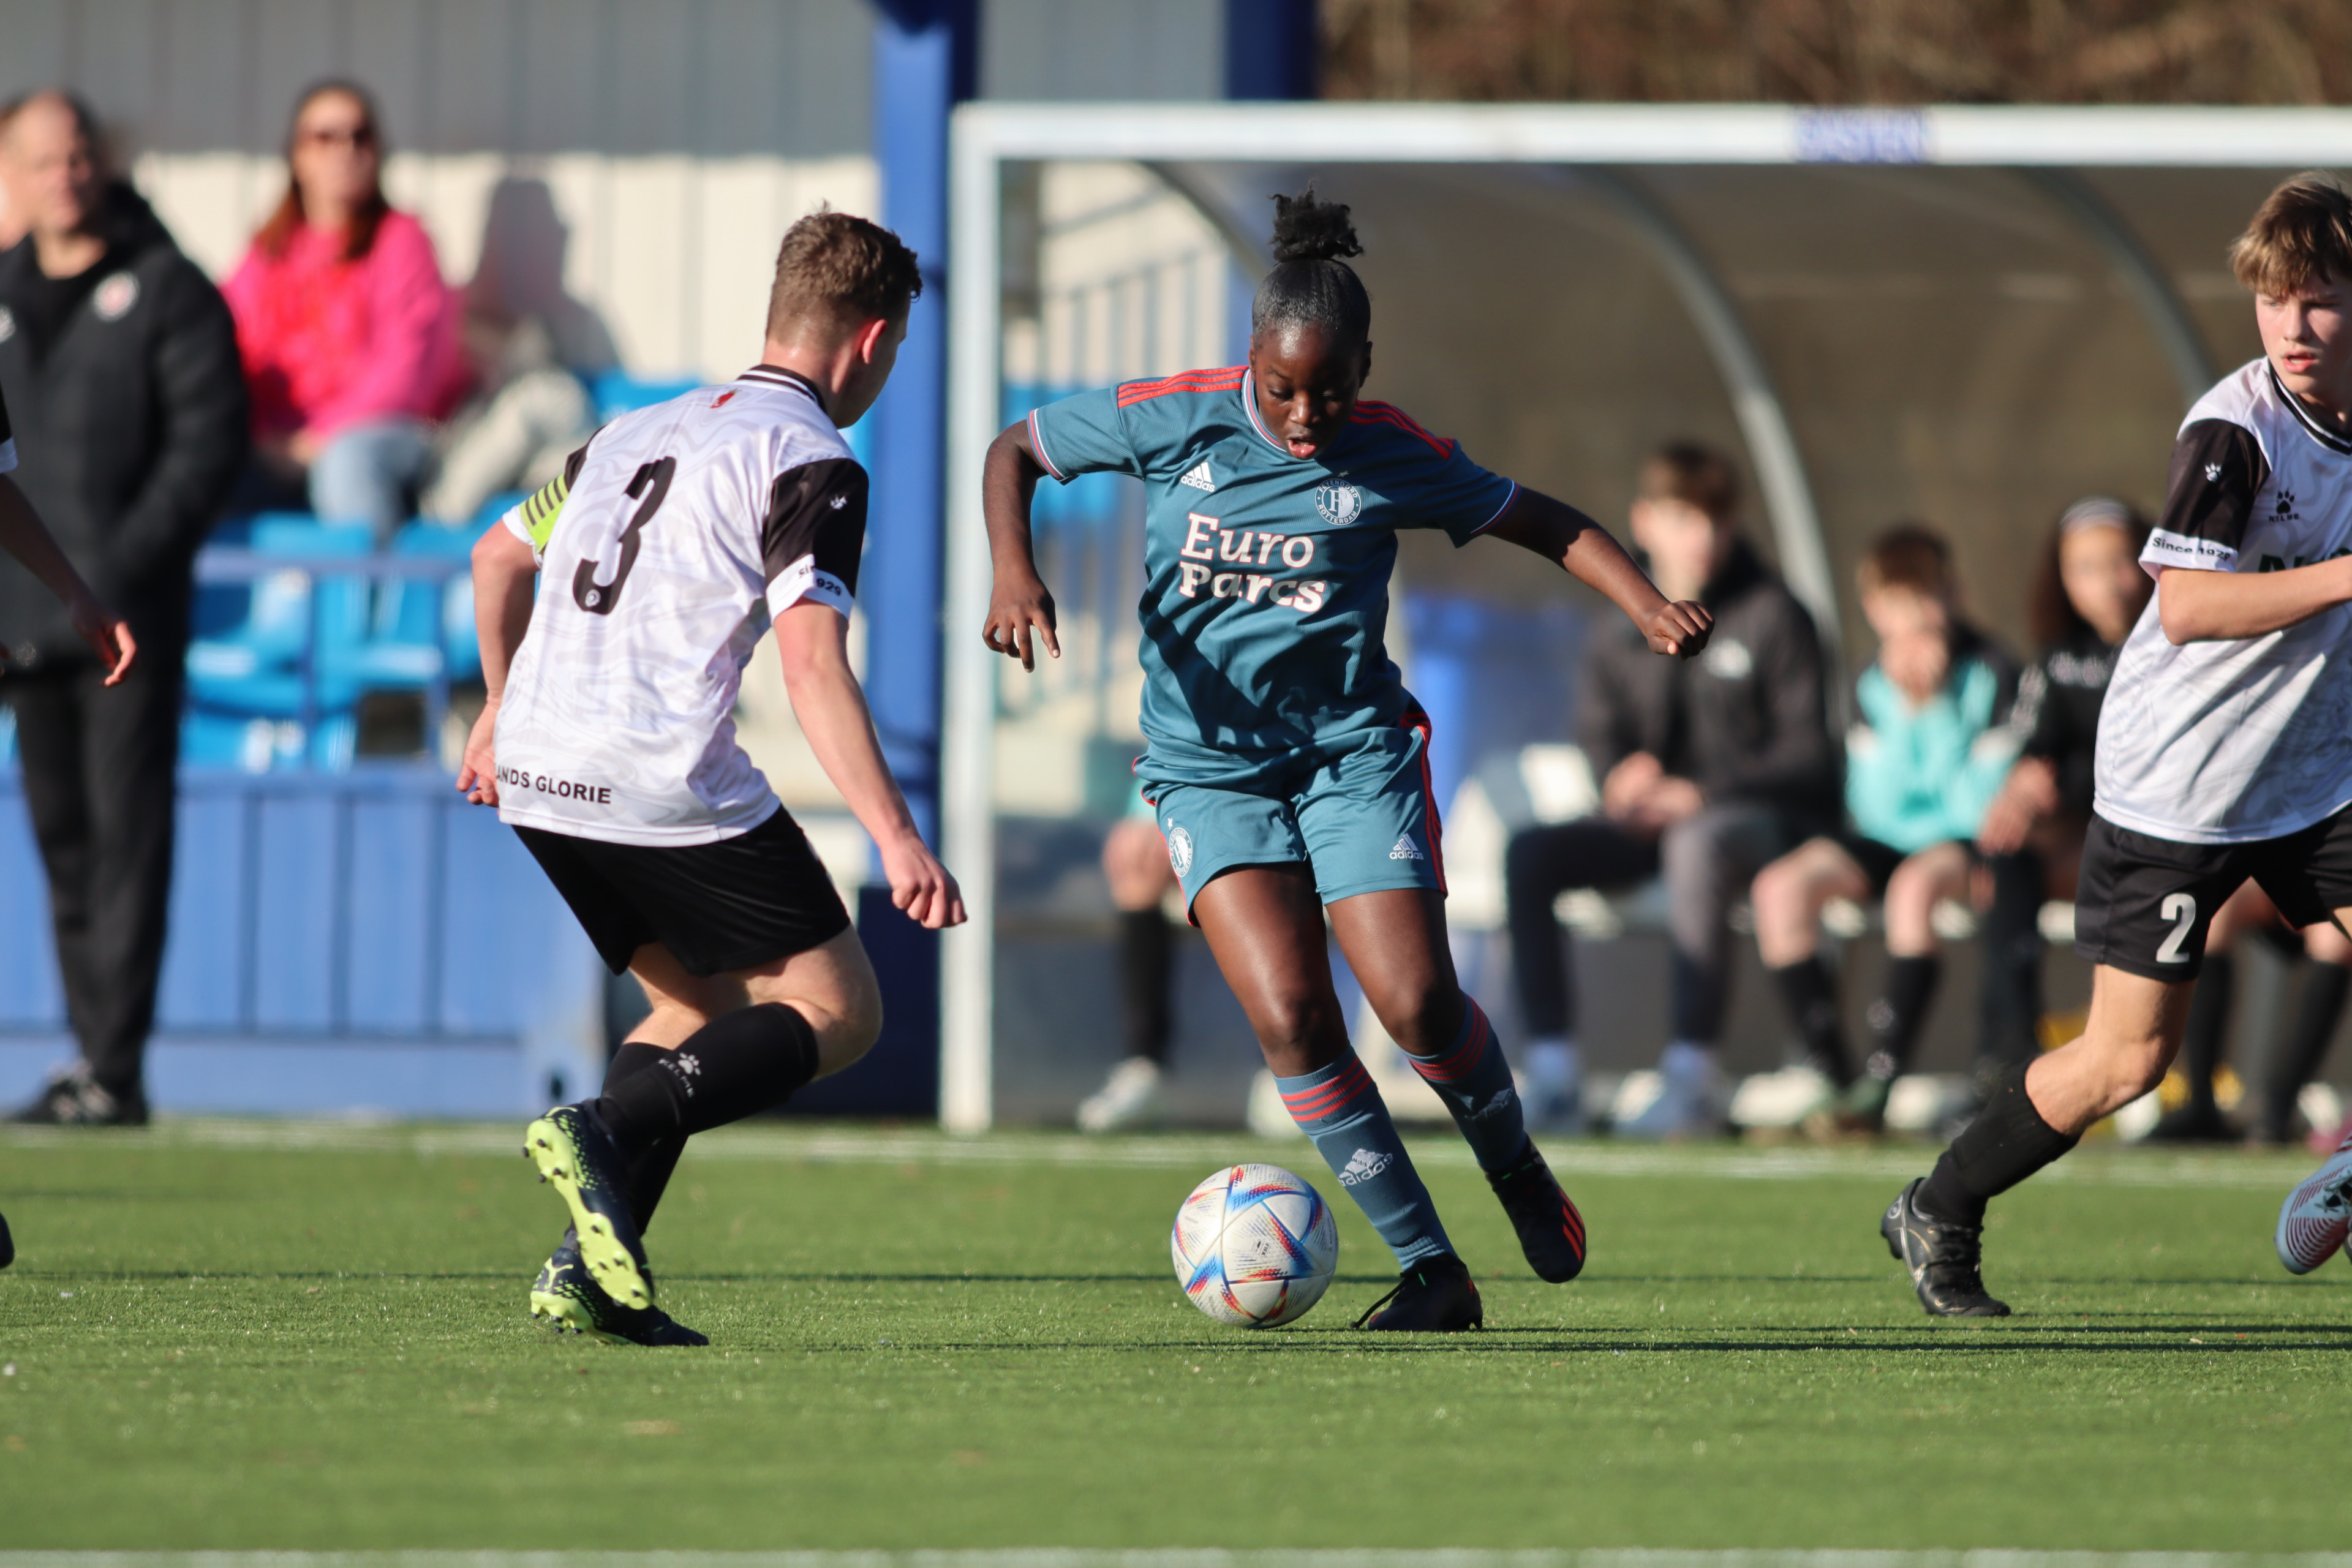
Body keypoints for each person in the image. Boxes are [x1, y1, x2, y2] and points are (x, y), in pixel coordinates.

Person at [984, 189, 1711, 1332]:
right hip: (1206, 769)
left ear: (1367, 365)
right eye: (1283, 389)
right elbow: (1014, 450)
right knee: (1290, 1018)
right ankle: (1433, 1270)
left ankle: (1515, 1165)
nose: (1309, 411)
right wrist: (1013, 573)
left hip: (1349, 757)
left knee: (1417, 1003)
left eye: (1332, 386)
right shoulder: (1174, 418)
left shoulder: (1395, 453)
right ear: (1250, 366)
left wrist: (1649, 602)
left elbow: (1546, 519)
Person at [461, 208, 963, 1347]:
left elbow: (496, 557)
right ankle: (601, 1125)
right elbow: (812, 665)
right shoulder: (816, 462)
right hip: (656, 774)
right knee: (840, 1009)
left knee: (688, 1005)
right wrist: (897, 835)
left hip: (539, 768)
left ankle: (587, 1270)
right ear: (876, 342)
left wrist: (497, 707)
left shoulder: (633, 432)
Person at [1883, 173, 2352, 1317]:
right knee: (2125, 1062)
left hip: (2314, 777)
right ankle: (1940, 1205)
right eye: (2272, 298)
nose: (2292, 325)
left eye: (2321, 298)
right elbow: (2186, 606)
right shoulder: (2234, 432)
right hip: (2180, 787)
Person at [0, 92, 244, 1126]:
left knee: (126, 840)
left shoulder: (168, 289)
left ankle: (116, 1064)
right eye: (43, 159)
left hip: (121, 621)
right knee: (59, 842)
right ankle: (88, 1058)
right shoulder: (4, 290)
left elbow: (204, 452)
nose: (66, 175)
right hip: (21, 620)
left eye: (79, 156)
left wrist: (110, 574)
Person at [1502, 442, 1834, 1137]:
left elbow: (1809, 757)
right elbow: (1600, 735)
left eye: (1717, 518)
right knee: (1531, 853)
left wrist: (1703, 793)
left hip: (1761, 828)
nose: (1705, 536)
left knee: (1699, 840)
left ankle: (1692, 1076)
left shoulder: (1776, 613)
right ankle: (1556, 1074)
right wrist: (1619, 776)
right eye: (1685, 517)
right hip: (1651, 827)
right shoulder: (1614, 621)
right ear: (1644, 521)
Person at [1749, 526, 2019, 1136]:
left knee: (1914, 890)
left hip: (1960, 842)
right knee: (1779, 889)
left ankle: (1880, 1080)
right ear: (1873, 610)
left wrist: (1933, 710)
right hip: (1884, 836)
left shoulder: (1995, 670)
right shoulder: (1871, 682)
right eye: (1897, 606)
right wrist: (1903, 708)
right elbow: (1874, 806)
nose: (1915, 621)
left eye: (1926, 600)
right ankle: (1834, 1078)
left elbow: (1976, 806)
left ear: (1955, 594)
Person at [223, 81, 468, 541]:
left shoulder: (403, 242)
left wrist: (316, 442)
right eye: (326, 137)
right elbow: (225, 352)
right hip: (278, 445)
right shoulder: (266, 253)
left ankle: (363, 607)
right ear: (297, 156)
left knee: (346, 464)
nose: (346, 151)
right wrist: (260, 438)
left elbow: (405, 374)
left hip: (386, 436)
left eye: (361, 136)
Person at [1973, 499, 2152, 1086]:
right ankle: (2009, 1050)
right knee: (2003, 853)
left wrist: (2066, 780)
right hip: (2087, 840)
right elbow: (2038, 747)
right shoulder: (2058, 659)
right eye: (2085, 568)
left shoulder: (2174, 646)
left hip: (2160, 844)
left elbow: (2143, 760)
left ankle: (2175, 1082)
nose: (2107, 583)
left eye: (2120, 562)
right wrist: (2024, 786)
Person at [2139, 879, 2352, 1144]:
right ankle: (2201, 1106)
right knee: (2213, 915)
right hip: (2286, 876)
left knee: (2334, 940)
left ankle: (2277, 1112)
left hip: (2334, 886)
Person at [1076, 791, 1183, 1132]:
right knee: (1139, 854)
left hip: (1315, 779)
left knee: (1273, 870)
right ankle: (1144, 1068)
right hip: (1210, 781)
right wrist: (1150, 810)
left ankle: (1295, 1067)